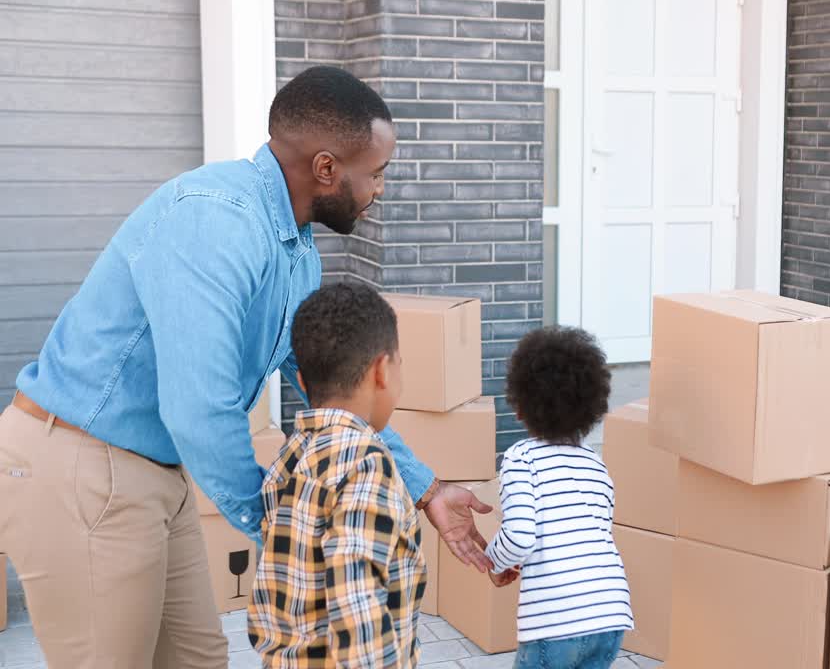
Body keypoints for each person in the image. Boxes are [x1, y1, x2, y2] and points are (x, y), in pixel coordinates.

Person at [0, 66, 493, 669]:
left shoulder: (294, 246)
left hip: (160, 471)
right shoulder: (214, 220)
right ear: (327, 168)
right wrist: (283, 531)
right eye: (377, 173)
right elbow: (198, 404)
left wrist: (427, 489)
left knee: (198, 659)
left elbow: (334, 390)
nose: (381, 190)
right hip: (83, 465)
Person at [248, 283, 426, 667]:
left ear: (303, 382)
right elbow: (356, 602)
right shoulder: (365, 465)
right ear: (382, 370)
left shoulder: (291, 457)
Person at [483, 327, 633, 669]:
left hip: (557, 619)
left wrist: (494, 560)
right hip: (610, 613)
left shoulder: (521, 458)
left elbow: (520, 536)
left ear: (519, 408)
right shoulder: (596, 464)